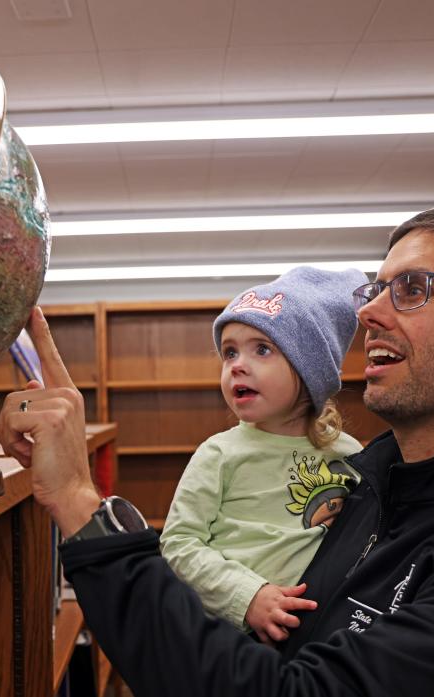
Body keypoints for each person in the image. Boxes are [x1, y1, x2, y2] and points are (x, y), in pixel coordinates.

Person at [0, 207, 434, 697]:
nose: (369, 312)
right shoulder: (364, 486)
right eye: (377, 288)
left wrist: (82, 505)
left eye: (413, 287)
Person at [160, 267, 366, 643]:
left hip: (325, 635)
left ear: (310, 372)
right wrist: (246, 596)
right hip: (235, 637)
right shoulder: (219, 454)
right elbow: (179, 544)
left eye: (262, 349)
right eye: (229, 352)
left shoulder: (351, 455)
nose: (237, 364)